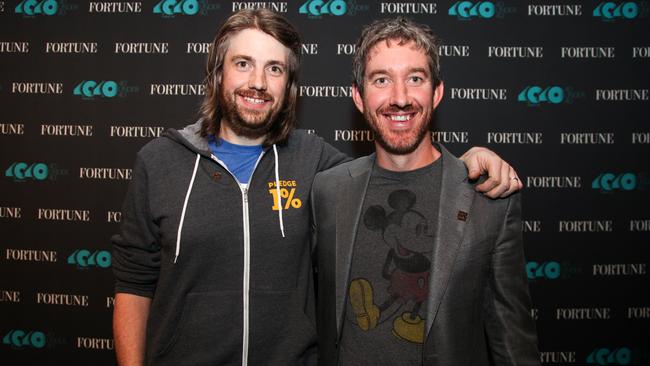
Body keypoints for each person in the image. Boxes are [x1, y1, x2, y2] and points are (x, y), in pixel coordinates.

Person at [112, 9, 523, 366]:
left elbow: (401, 167)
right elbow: (133, 284)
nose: (258, 82)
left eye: (274, 68)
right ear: (217, 72)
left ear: (288, 84)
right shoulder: (160, 161)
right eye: (243, 64)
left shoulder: (315, 164)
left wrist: (468, 163)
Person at [311, 17, 539, 366]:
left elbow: (512, 341)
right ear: (358, 97)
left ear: (437, 92)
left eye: (415, 79)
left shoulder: (489, 197)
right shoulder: (327, 192)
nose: (400, 98)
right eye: (381, 80)